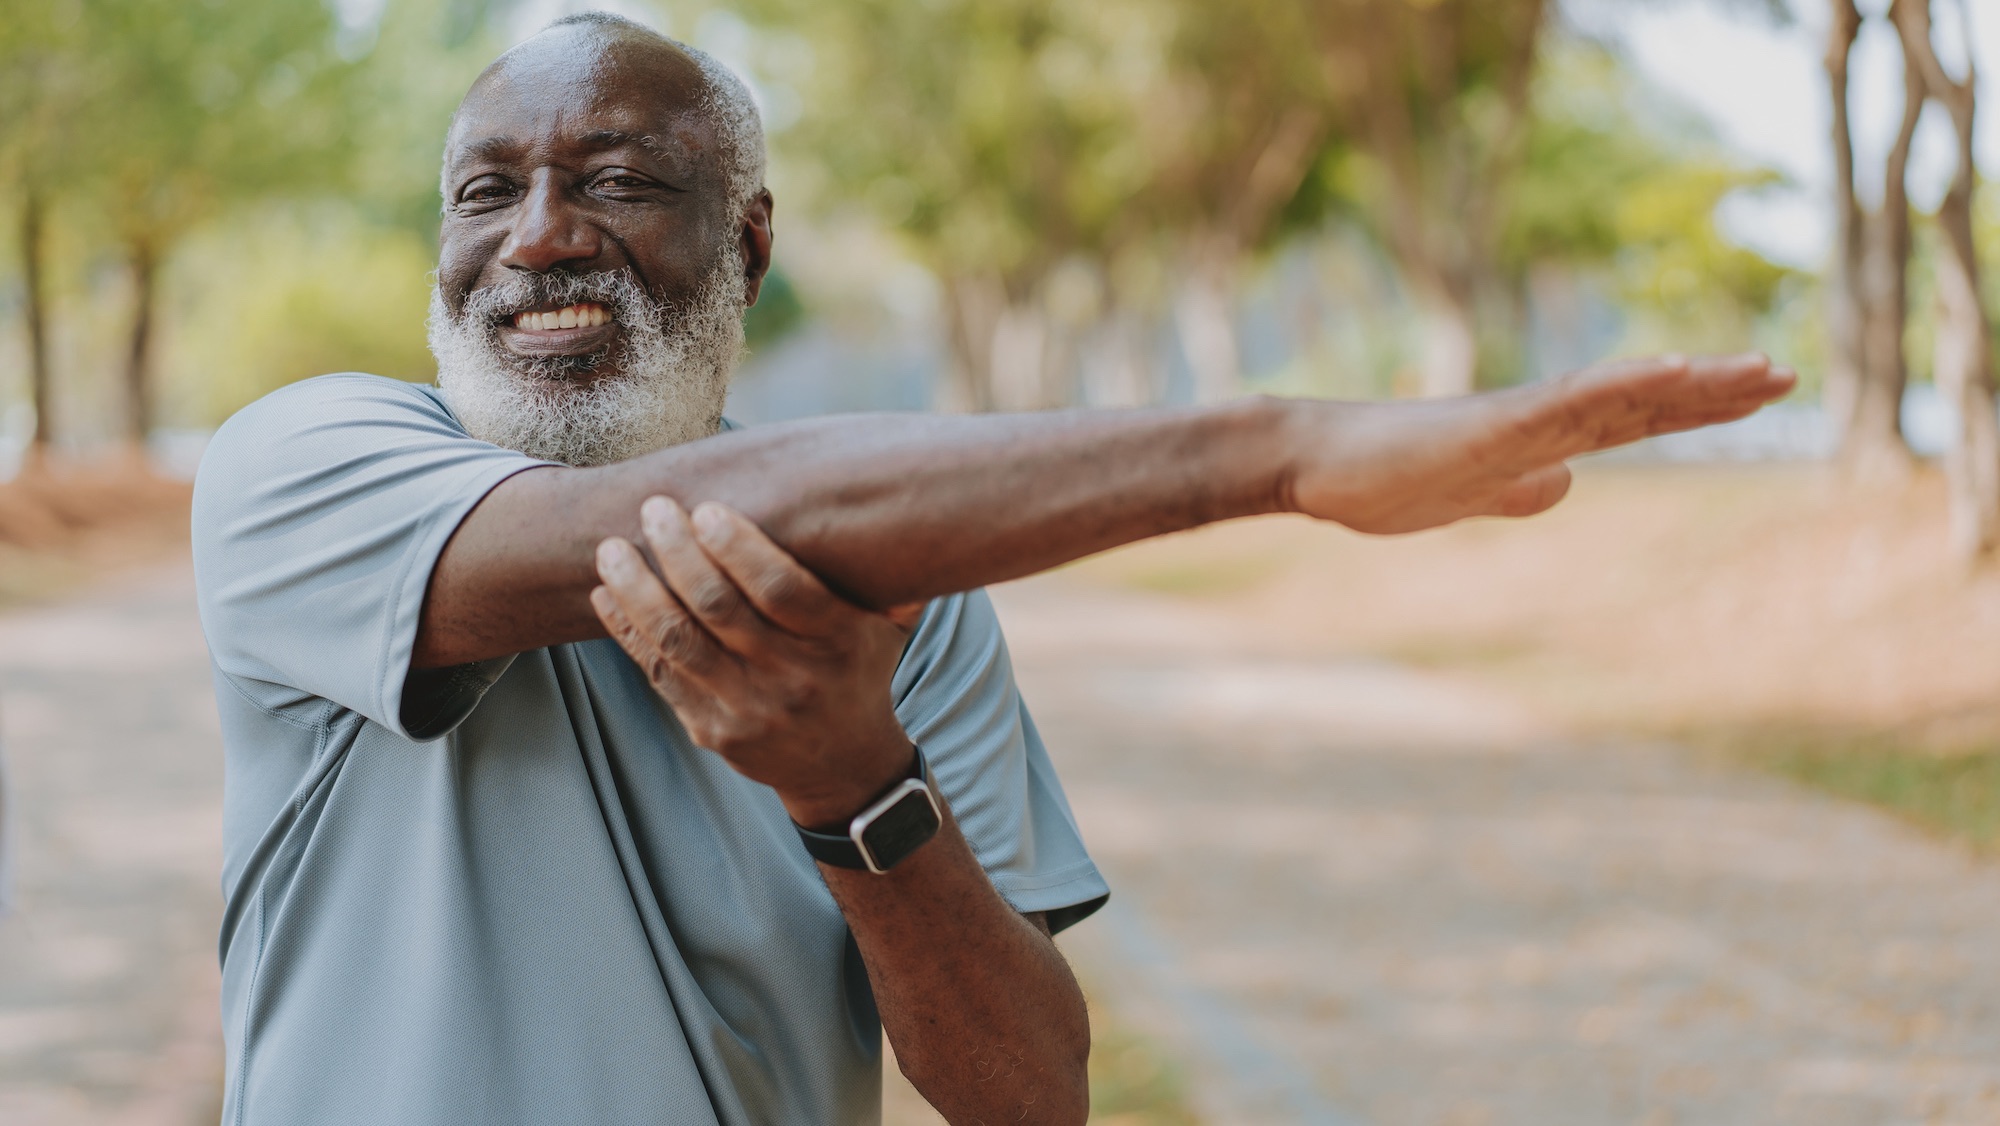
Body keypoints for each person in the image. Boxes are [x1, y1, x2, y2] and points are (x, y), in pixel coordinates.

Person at [190, 12, 1793, 1126]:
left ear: (747, 243)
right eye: (487, 191)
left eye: (617, 180)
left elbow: (1030, 1093)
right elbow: (719, 505)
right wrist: (1279, 455)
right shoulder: (304, 464)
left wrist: (857, 790)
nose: (539, 236)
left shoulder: (913, 590)